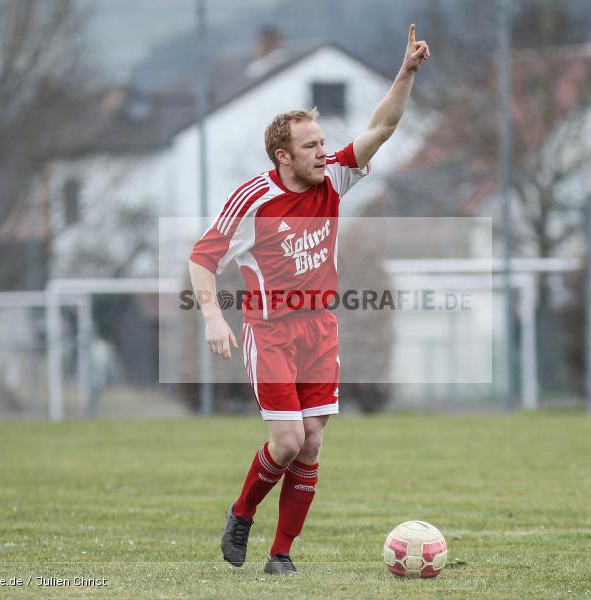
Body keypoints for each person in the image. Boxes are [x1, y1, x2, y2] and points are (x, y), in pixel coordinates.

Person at [188, 24, 429, 575]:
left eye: (323, 143)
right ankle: (242, 512)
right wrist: (211, 318)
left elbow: (383, 126)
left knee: (313, 443)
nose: (324, 153)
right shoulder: (253, 200)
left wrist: (406, 73)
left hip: (319, 328)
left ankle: (281, 557)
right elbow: (202, 259)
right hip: (270, 331)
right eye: (311, 146)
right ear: (283, 156)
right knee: (289, 438)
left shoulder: (332, 182)